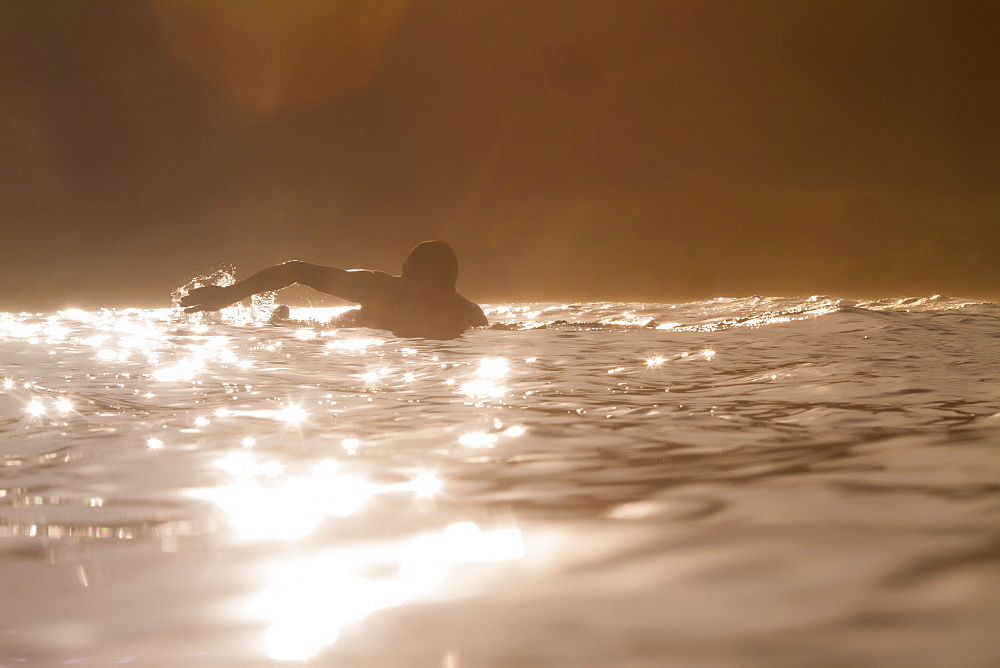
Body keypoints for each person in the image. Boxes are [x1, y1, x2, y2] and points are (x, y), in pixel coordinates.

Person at [179, 240, 488, 339]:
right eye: (403, 274)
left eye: (412, 277)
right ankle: (281, 323)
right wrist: (229, 294)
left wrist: (407, 332)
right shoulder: (382, 289)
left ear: (440, 282)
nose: (402, 280)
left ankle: (282, 322)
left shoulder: (467, 314)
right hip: (344, 326)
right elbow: (296, 269)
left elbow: (454, 328)